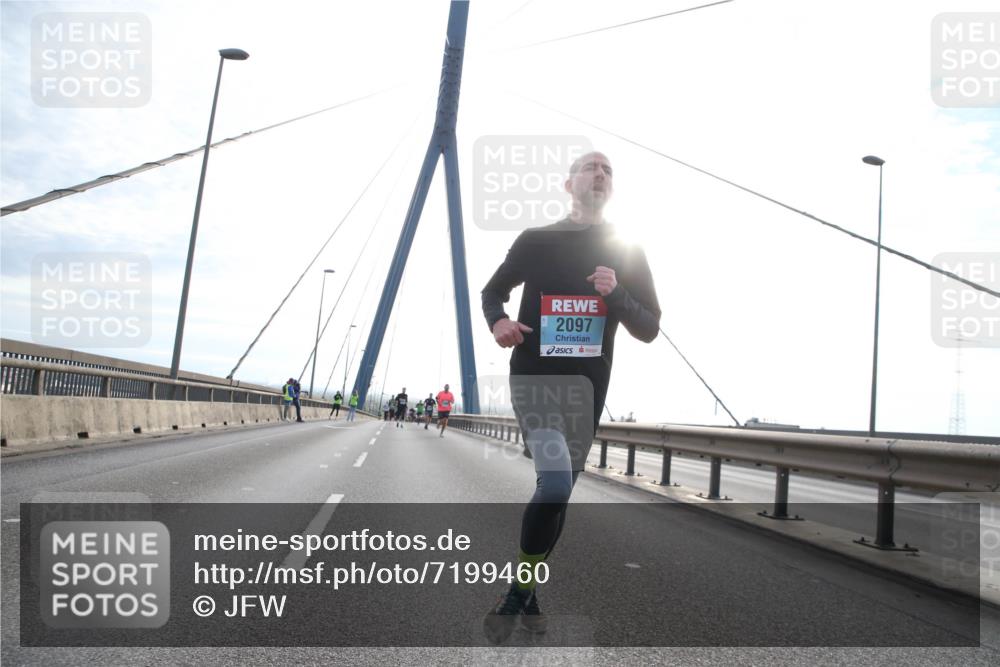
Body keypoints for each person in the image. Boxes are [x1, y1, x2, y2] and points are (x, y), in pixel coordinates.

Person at [479, 151, 661, 642]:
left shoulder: (627, 251)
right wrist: (499, 322)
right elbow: (493, 292)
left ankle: (526, 588)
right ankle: (518, 594)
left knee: (557, 495)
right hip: (535, 378)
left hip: (587, 390)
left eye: (608, 169)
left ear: (612, 187)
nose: (600, 173)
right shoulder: (537, 240)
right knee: (557, 485)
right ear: (568, 184)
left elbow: (649, 327)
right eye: (589, 167)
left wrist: (616, 294)